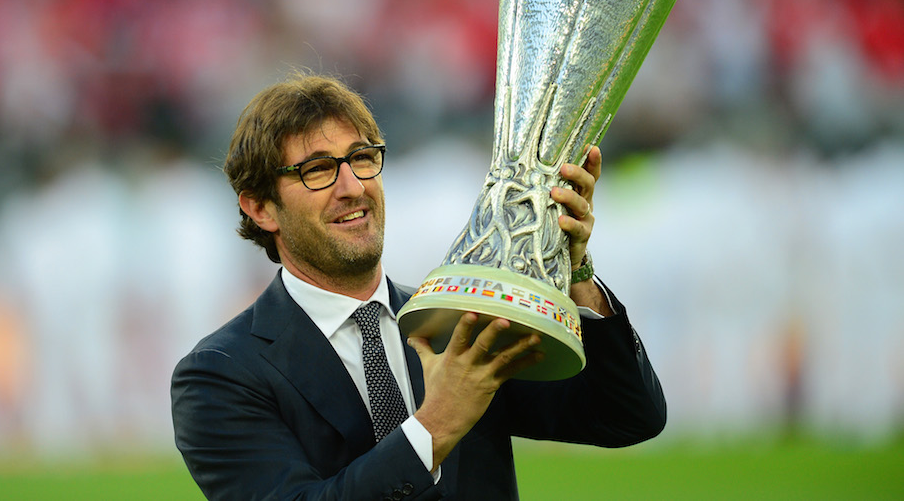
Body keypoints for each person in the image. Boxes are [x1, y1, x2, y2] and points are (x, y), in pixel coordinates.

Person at [171, 73, 666, 500]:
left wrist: (576, 272)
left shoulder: (463, 319)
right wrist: (437, 425)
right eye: (318, 169)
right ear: (259, 207)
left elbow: (628, 415)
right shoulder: (220, 375)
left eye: (362, 158)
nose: (352, 186)